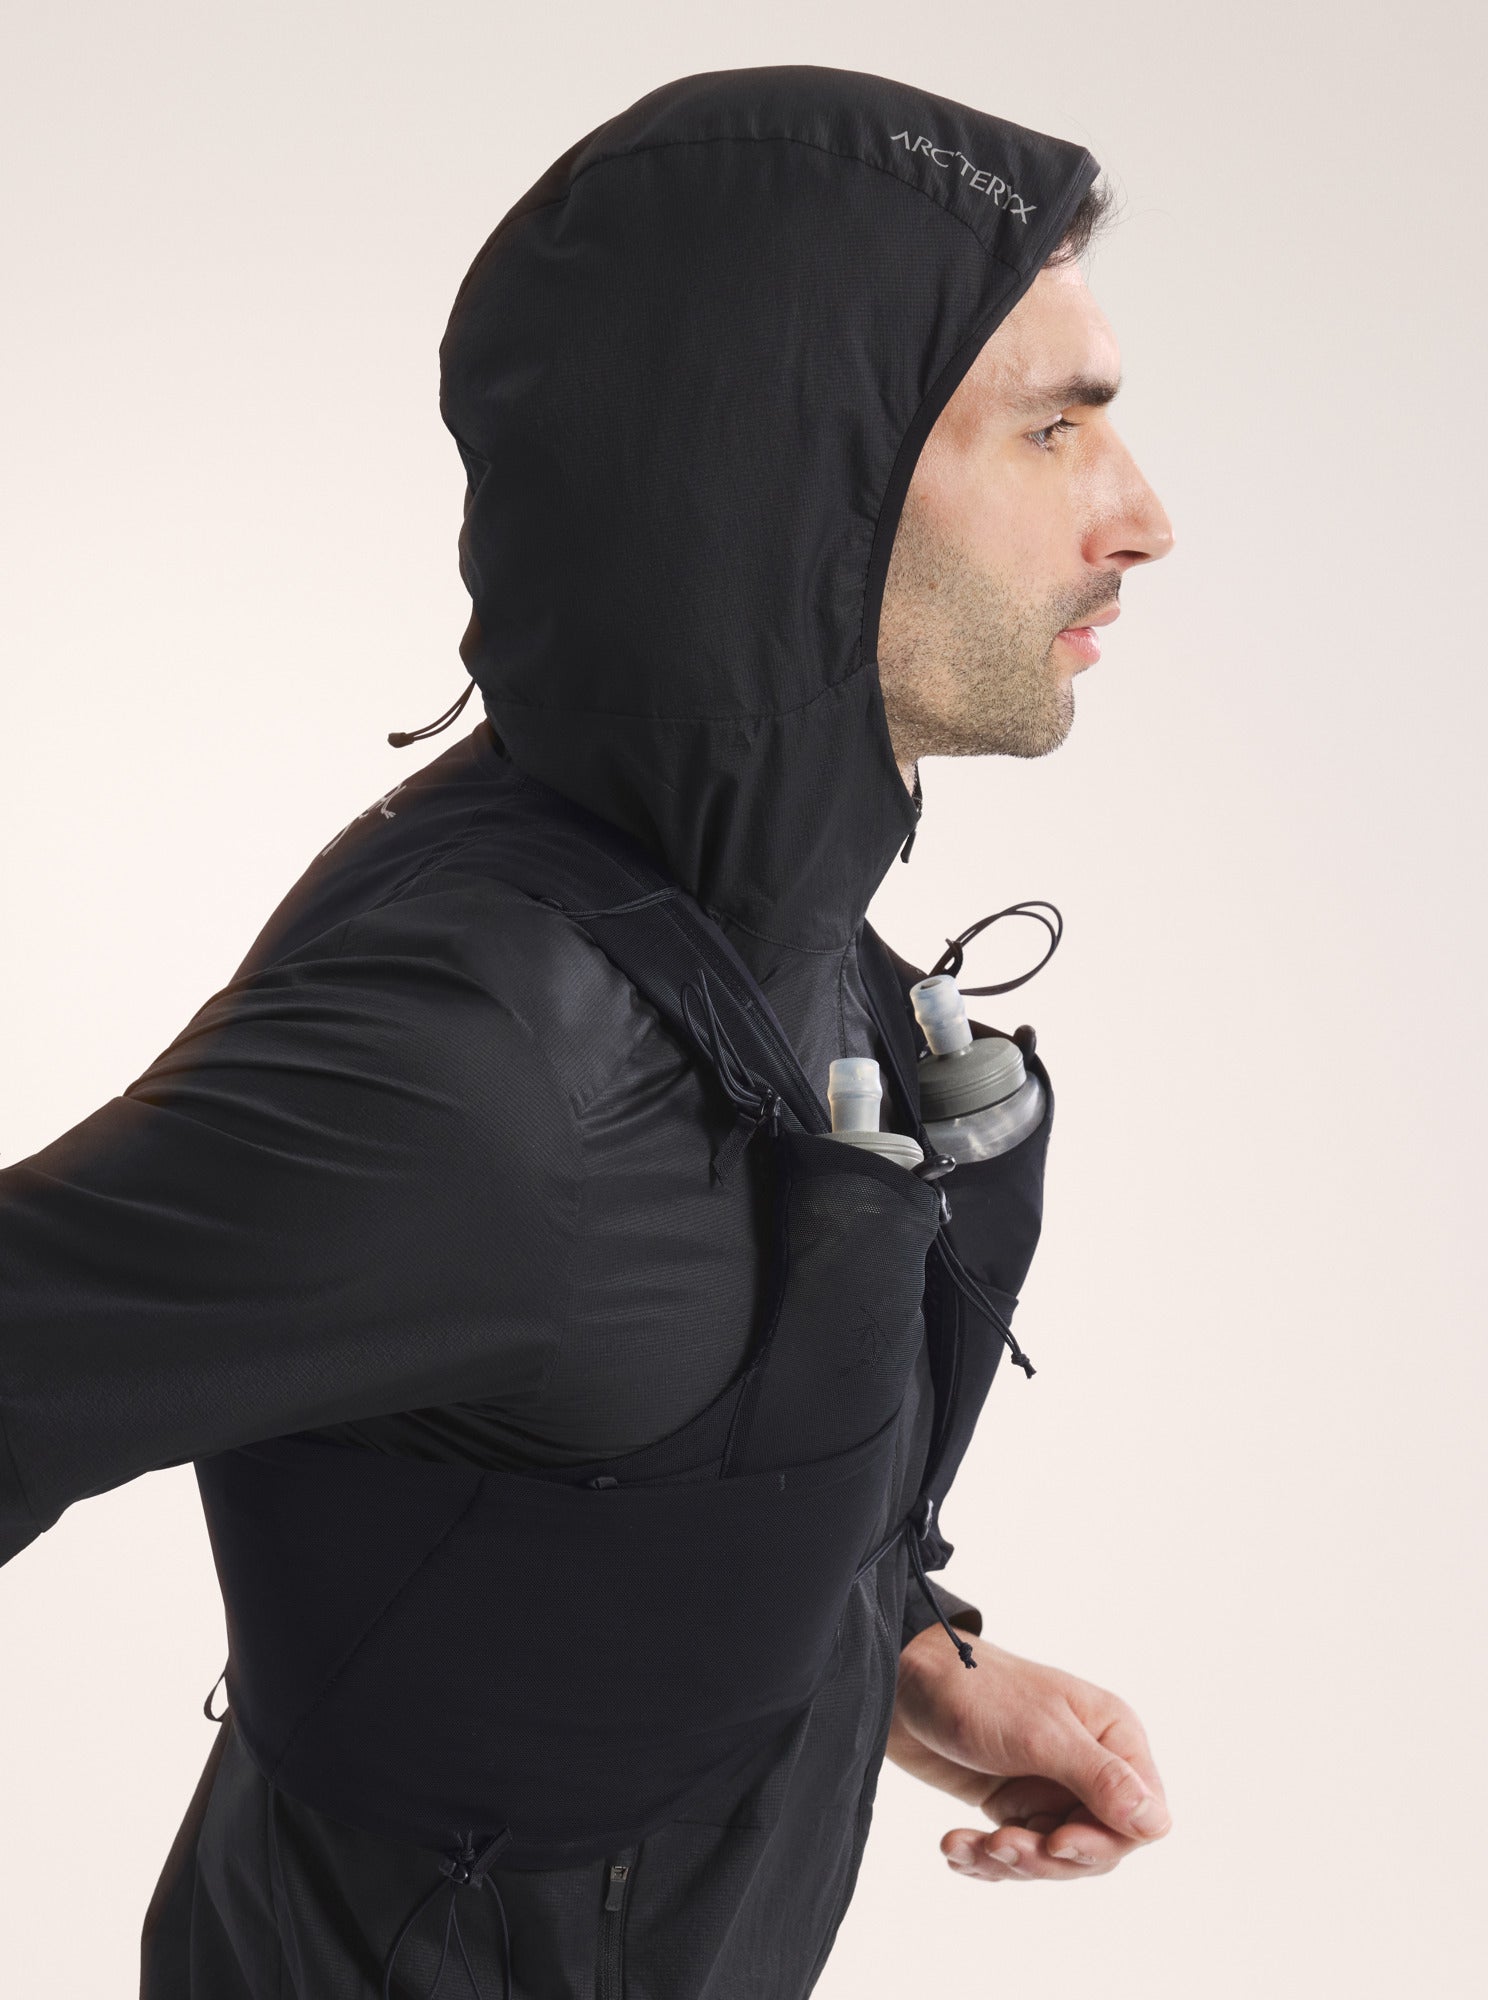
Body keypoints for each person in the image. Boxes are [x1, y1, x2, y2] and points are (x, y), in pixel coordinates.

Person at [0, 63, 1174, 1999]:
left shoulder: (783, 930)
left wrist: (901, 1649)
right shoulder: (487, 1064)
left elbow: (627, 1436)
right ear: (800, 479)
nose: (1141, 519)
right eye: (1053, 427)